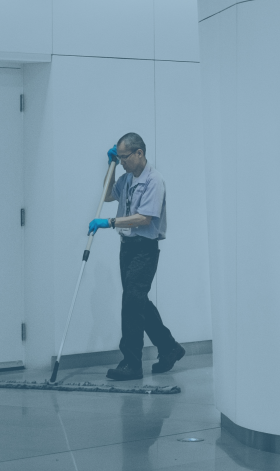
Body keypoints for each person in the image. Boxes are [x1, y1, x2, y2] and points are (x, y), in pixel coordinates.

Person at [87, 132, 186, 381]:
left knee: (131, 303)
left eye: (124, 158)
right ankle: (170, 348)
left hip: (145, 248)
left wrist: (109, 221)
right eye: (118, 158)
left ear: (139, 153)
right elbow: (108, 195)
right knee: (138, 302)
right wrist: (109, 167)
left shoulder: (154, 180)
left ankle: (131, 363)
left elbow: (144, 218)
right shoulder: (126, 178)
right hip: (127, 247)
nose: (122, 162)